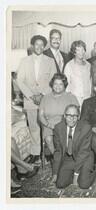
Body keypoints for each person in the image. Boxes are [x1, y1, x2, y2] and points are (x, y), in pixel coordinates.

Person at [16, 35, 57, 164]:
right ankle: (36, 153)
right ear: (32, 46)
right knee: (33, 127)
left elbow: (54, 80)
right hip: (30, 100)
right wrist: (32, 96)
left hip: (46, 100)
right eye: (36, 44)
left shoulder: (50, 61)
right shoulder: (24, 61)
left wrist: (43, 94)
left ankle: (49, 151)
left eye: (41, 45)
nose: (39, 47)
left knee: (47, 126)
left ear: (44, 46)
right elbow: (20, 81)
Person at [52, 104, 96, 189]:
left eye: (75, 116)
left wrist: (76, 174)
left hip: (85, 157)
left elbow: (84, 152)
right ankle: (76, 174)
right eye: (69, 115)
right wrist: (55, 173)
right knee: (60, 184)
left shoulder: (86, 128)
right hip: (69, 158)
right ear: (64, 116)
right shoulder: (58, 128)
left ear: (78, 116)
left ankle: (94, 171)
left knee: (83, 185)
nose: (72, 119)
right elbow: (58, 152)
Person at [39, 73, 79, 156]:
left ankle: (68, 156)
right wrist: (48, 125)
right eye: (55, 84)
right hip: (50, 125)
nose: (58, 86)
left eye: (61, 84)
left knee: (68, 138)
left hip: (67, 124)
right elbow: (41, 115)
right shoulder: (45, 98)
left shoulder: (71, 97)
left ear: (64, 85)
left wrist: (69, 124)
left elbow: (77, 114)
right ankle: (56, 157)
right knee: (49, 139)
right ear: (52, 85)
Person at [64, 40, 92, 106]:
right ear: (74, 52)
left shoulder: (88, 65)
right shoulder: (69, 65)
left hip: (87, 97)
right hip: (74, 98)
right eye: (78, 50)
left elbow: (90, 82)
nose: (81, 52)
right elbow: (66, 84)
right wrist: (69, 97)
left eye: (83, 50)